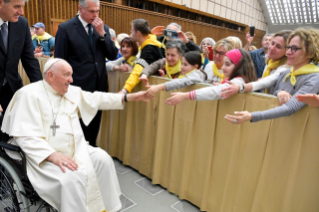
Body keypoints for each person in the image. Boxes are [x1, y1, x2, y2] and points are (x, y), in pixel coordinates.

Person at [2, 58, 148, 212]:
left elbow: (97, 99)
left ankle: (103, 208)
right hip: (43, 156)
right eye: (67, 75)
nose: (71, 79)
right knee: (71, 178)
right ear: (50, 75)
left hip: (76, 149)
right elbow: (25, 135)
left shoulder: (70, 91)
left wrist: (127, 97)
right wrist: (51, 155)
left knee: (103, 160)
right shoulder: (28, 94)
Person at [54, 0, 118, 147]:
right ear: (80, 9)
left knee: (93, 128)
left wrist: (102, 34)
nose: (95, 15)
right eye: (91, 11)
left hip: (98, 88)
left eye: (97, 11)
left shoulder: (102, 28)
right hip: (76, 88)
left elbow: (113, 55)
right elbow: (59, 61)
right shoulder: (66, 28)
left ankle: (90, 157)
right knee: (76, 129)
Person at [224, 27, 319, 124]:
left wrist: (251, 116)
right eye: (288, 47)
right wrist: (278, 92)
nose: (288, 52)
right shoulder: (286, 73)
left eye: (294, 48)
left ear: (310, 51)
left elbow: (290, 107)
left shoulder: (314, 78)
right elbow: (271, 91)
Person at [165, 49, 256, 105]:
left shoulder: (238, 82)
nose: (223, 67)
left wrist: (186, 95)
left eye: (227, 64)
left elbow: (215, 92)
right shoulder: (235, 80)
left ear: (239, 66)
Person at [220, 30, 292, 97]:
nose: (272, 48)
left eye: (278, 47)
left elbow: (266, 82)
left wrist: (240, 87)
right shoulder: (269, 63)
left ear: (287, 51)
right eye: (272, 43)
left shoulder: (285, 69)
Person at [0, 0, 42, 114]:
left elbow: (29, 60)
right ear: (1, 4)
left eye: (22, 7)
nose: (21, 12)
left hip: (13, 90)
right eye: (16, 7)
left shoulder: (22, 24)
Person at [120, 19, 164, 94]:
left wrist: (125, 90)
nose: (131, 34)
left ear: (138, 33)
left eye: (132, 31)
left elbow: (137, 71)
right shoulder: (153, 42)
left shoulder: (148, 49)